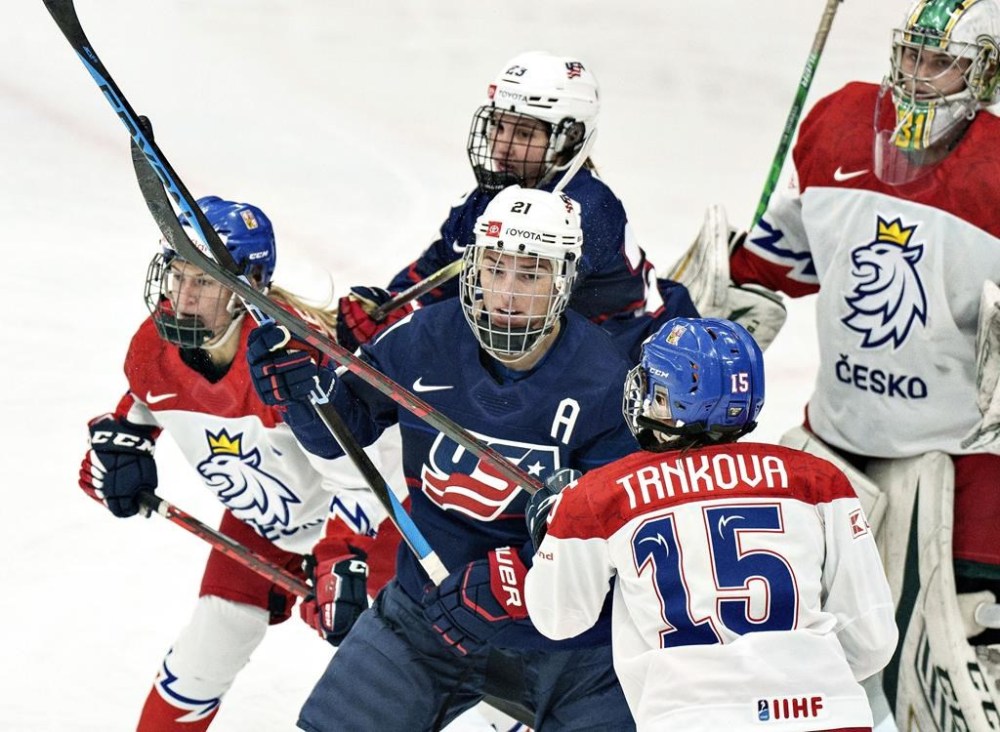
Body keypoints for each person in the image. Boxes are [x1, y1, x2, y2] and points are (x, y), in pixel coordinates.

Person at [672, 0, 1000, 725]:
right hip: (835, 440)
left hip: (958, 458)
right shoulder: (843, 125)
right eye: (911, 54)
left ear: (986, 75)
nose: (918, 76)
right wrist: (735, 285)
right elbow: (792, 249)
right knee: (775, 652)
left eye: (941, 62)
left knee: (960, 653)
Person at [246, 185, 640, 731]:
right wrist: (302, 398)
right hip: (426, 612)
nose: (505, 293)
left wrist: (519, 577)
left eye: (529, 275)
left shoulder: (608, 381)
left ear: (566, 279)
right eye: (494, 268)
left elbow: (618, 532)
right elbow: (344, 433)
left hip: (570, 642)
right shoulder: (421, 338)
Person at [77, 196, 401, 731]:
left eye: (202, 281)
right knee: (201, 654)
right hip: (264, 521)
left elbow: (366, 473)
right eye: (176, 274)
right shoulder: (154, 343)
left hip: (368, 529)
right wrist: (118, 448)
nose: (181, 297)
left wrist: (342, 554)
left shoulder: (290, 361)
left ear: (247, 286)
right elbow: (141, 405)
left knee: (428, 671)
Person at [523, 317, 898, 731]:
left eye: (654, 387)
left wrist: (552, 539)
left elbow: (558, 619)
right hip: (829, 715)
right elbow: (871, 642)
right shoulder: (818, 480)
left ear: (674, 398)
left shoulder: (601, 494)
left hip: (694, 718)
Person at [335, 50, 697, 362]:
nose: (502, 146)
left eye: (523, 133)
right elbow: (432, 273)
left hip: (629, 357)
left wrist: (402, 329)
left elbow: (513, 310)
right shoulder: (487, 200)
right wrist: (387, 308)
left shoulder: (586, 208)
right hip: (560, 359)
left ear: (568, 141)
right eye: (498, 126)